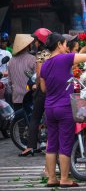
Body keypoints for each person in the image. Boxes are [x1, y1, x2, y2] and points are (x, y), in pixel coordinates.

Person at [40, 33, 86, 187]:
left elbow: (43, 88)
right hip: (64, 107)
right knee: (65, 143)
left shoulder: (45, 64)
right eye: (66, 44)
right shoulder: (65, 58)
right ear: (59, 45)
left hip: (50, 108)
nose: (67, 48)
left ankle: (52, 178)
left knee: (51, 144)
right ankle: (65, 179)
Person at [19, 28, 52, 157]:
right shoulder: (54, 53)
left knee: (35, 118)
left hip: (43, 90)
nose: (35, 43)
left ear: (40, 41)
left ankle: (30, 146)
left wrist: (37, 87)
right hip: (54, 89)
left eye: (36, 41)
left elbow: (39, 75)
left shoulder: (41, 55)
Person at [8, 34, 36, 111]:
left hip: (16, 98)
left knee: (19, 120)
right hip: (29, 97)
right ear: (27, 45)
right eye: (30, 44)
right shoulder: (32, 59)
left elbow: (10, 81)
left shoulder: (11, 61)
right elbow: (37, 78)